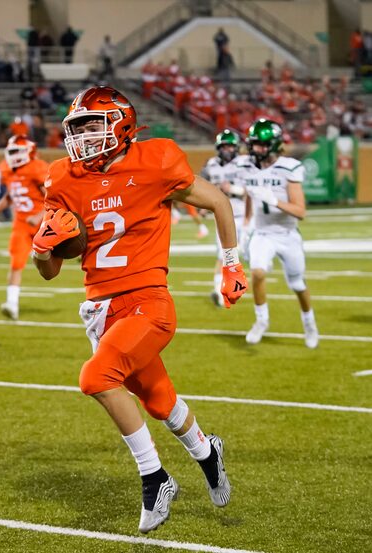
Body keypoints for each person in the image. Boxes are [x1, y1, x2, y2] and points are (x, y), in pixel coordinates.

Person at [32, 86, 248, 533]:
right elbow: (51, 270)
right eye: (79, 128)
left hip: (149, 302)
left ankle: (155, 477)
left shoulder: (157, 160)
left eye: (94, 125)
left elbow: (218, 202)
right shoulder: (63, 177)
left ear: (122, 125)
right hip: (99, 308)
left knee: (95, 377)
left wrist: (231, 266)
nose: (85, 136)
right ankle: (208, 454)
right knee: (158, 400)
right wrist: (41, 249)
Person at [236, 119, 319, 348]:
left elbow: (300, 211)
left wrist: (274, 200)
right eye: (254, 144)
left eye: (261, 145)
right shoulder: (246, 167)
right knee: (257, 273)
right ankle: (261, 320)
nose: (256, 149)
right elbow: (249, 199)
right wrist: (245, 227)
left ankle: (309, 322)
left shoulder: (288, 167)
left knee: (297, 284)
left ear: (274, 145)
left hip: (287, 233)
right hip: (262, 233)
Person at [0, 136, 48, 320]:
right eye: (11, 151)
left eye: (17, 151)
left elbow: (54, 197)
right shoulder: (8, 170)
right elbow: (10, 197)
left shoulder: (36, 168)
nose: (13, 155)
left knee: (56, 261)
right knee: (16, 263)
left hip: (46, 222)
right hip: (21, 223)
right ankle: (12, 303)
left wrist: (39, 215)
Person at [202, 129, 249, 307]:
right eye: (224, 146)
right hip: (221, 217)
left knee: (242, 254)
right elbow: (202, 188)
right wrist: (204, 206)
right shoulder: (211, 165)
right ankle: (218, 291)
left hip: (242, 216)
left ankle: (235, 286)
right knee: (223, 255)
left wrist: (233, 189)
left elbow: (251, 192)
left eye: (230, 146)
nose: (227, 149)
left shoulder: (245, 163)